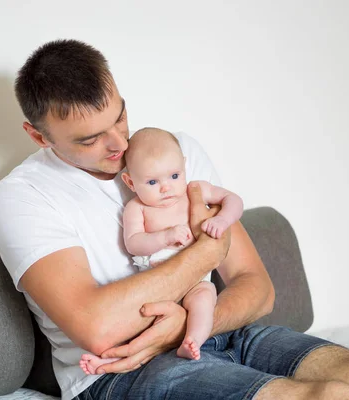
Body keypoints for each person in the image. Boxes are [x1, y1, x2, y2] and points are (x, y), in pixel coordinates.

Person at [0, 39, 349, 400]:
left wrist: (192, 325)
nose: (118, 144)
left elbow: (255, 286)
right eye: (90, 139)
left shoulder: (170, 154)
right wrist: (204, 251)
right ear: (38, 135)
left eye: (120, 117)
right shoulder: (20, 198)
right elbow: (96, 327)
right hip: (121, 373)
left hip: (214, 328)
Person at [79, 127, 244, 374]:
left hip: (196, 281)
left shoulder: (195, 190)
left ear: (184, 166)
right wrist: (164, 237)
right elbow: (133, 243)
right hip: (157, 286)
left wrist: (222, 221)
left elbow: (234, 200)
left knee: (205, 299)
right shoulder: (137, 208)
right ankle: (107, 363)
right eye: (153, 182)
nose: (166, 188)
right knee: (138, 327)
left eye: (175, 175)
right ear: (130, 182)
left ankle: (193, 341)